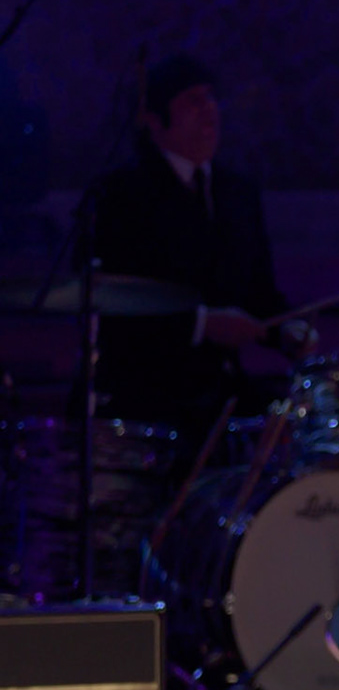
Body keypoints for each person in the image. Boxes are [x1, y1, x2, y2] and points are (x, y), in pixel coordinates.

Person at [78, 53, 309, 434]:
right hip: (147, 399)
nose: (210, 112)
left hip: (225, 391)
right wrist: (201, 326)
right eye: (192, 101)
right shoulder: (120, 196)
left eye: (211, 98)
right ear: (153, 120)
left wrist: (285, 330)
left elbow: (258, 293)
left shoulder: (237, 193)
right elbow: (111, 306)